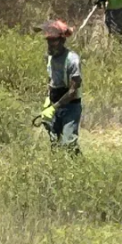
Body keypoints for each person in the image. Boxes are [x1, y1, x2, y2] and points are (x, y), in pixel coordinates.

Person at [39, 20, 83, 152]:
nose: (50, 44)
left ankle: (79, 168)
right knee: (55, 144)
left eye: (54, 41)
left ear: (62, 41)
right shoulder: (49, 57)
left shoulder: (72, 60)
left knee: (69, 143)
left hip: (70, 105)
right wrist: (48, 100)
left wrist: (54, 107)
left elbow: (73, 91)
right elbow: (51, 79)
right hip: (53, 102)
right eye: (48, 40)